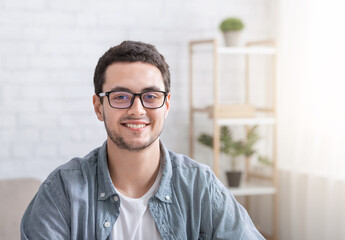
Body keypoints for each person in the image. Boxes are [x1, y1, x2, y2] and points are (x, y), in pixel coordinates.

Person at [21, 40, 265, 240]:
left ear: (166, 105)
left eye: (150, 96)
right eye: (120, 96)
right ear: (99, 107)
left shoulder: (200, 186)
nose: (137, 110)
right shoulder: (61, 192)